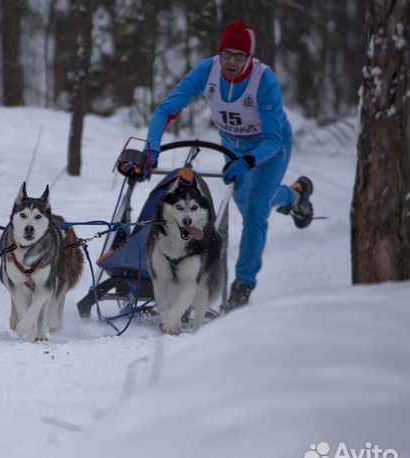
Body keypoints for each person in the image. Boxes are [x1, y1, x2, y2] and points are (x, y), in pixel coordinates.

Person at [119, 20, 314, 310]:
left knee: (255, 213)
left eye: (240, 56)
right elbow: (166, 110)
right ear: (219, 52)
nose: (232, 62)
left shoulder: (265, 81)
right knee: (248, 203)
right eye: (227, 54)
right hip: (233, 147)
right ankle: (295, 196)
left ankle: (242, 286)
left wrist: (249, 160)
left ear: (250, 58)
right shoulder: (206, 71)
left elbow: (273, 138)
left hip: (270, 149)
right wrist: (153, 150)